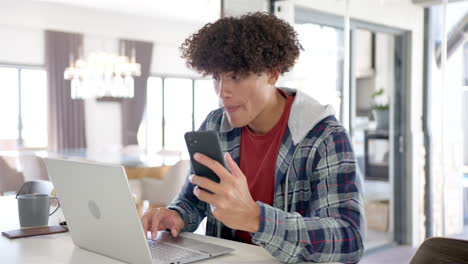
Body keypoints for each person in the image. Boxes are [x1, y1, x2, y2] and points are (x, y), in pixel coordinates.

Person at [141, 12, 365, 263]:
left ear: (272, 73)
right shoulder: (215, 124)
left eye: (236, 76)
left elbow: (349, 241)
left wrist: (257, 219)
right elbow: (194, 198)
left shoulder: (324, 137)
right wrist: (177, 215)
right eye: (217, 77)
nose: (223, 91)